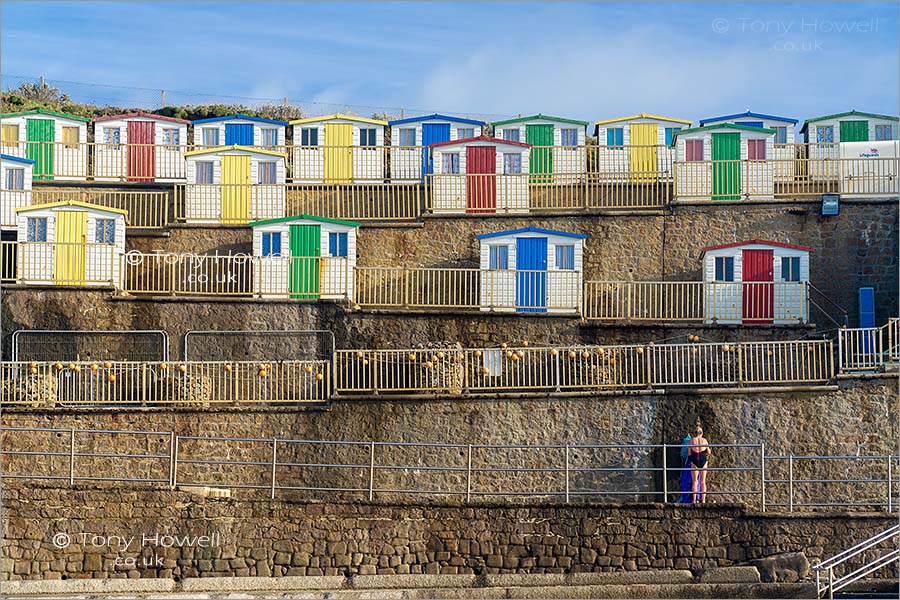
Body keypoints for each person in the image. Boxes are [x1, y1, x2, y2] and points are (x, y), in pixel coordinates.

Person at [688, 424, 711, 503]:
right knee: (702, 481)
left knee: (694, 481)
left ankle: (694, 500)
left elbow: (689, 454)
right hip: (703, 459)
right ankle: (703, 500)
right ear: (702, 433)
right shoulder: (704, 440)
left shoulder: (691, 441)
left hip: (694, 459)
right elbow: (709, 452)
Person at [678, 433, 693, 503]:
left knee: (688, 482)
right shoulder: (702, 441)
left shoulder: (689, 442)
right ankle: (696, 499)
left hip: (690, 465)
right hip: (697, 464)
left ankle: (688, 498)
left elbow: (684, 454)